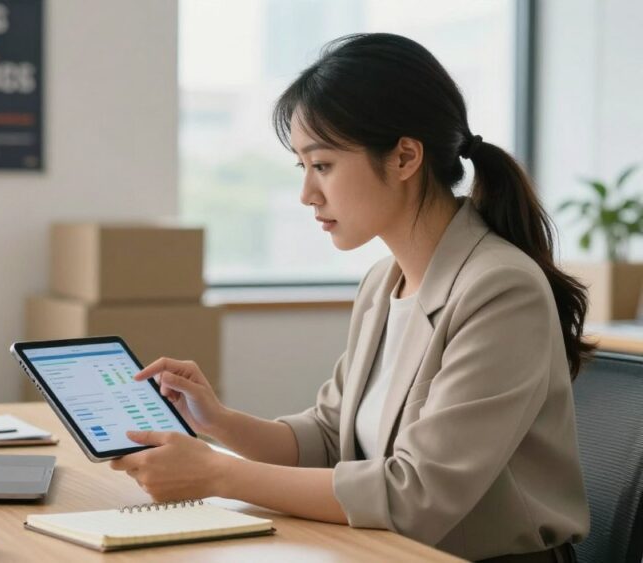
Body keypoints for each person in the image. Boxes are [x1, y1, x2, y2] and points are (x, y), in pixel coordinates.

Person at [109, 33, 591, 562]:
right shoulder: (383, 283)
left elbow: (417, 494)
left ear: (405, 157)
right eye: (302, 168)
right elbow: (328, 438)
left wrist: (219, 473)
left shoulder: (502, 290)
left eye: (323, 165)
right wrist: (217, 422)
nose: (306, 194)